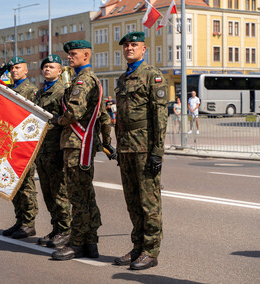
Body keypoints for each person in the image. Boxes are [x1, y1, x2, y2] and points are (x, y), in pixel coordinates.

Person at [114, 32, 168, 270]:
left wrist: (158, 151)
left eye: (134, 45)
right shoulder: (123, 79)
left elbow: (160, 117)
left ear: (143, 49)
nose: (129, 48)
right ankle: (137, 247)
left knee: (149, 202)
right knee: (132, 201)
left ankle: (150, 250)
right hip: (126, 147)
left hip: (145, 147)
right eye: (126, 45)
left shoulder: (152, 76)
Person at [50, 40, 103, 261]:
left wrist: (57, 120)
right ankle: (90, 242)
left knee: (78, 196)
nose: (69, 57)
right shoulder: (83, 79)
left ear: (86, 55)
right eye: (68, 54)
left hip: (77, 143)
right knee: (85, 195)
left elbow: (74, 113)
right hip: (78, 143)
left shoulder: (83, 80)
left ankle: (78, 243)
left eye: (73, 54)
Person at [34, 55, 72, 248]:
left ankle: (66, 230)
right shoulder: (39, 94)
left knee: (59, 192)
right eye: (45, 66)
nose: (47, 69)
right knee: (48, 193)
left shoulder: (63, 91)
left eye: (52, 67)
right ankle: (56, 228)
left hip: (56, 148)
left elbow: (66, 119)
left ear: (60, 71)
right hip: (42, 151)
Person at [0, 56, 39, 239]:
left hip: (24, 143)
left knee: (27, 185)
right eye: (12, 68)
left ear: (26, 71)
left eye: (18, 67)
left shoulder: (31, 90)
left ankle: (29, 223)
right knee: (13, 184)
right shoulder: (9, 89)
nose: (14, 70)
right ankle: (20, 220)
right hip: (9, 143)